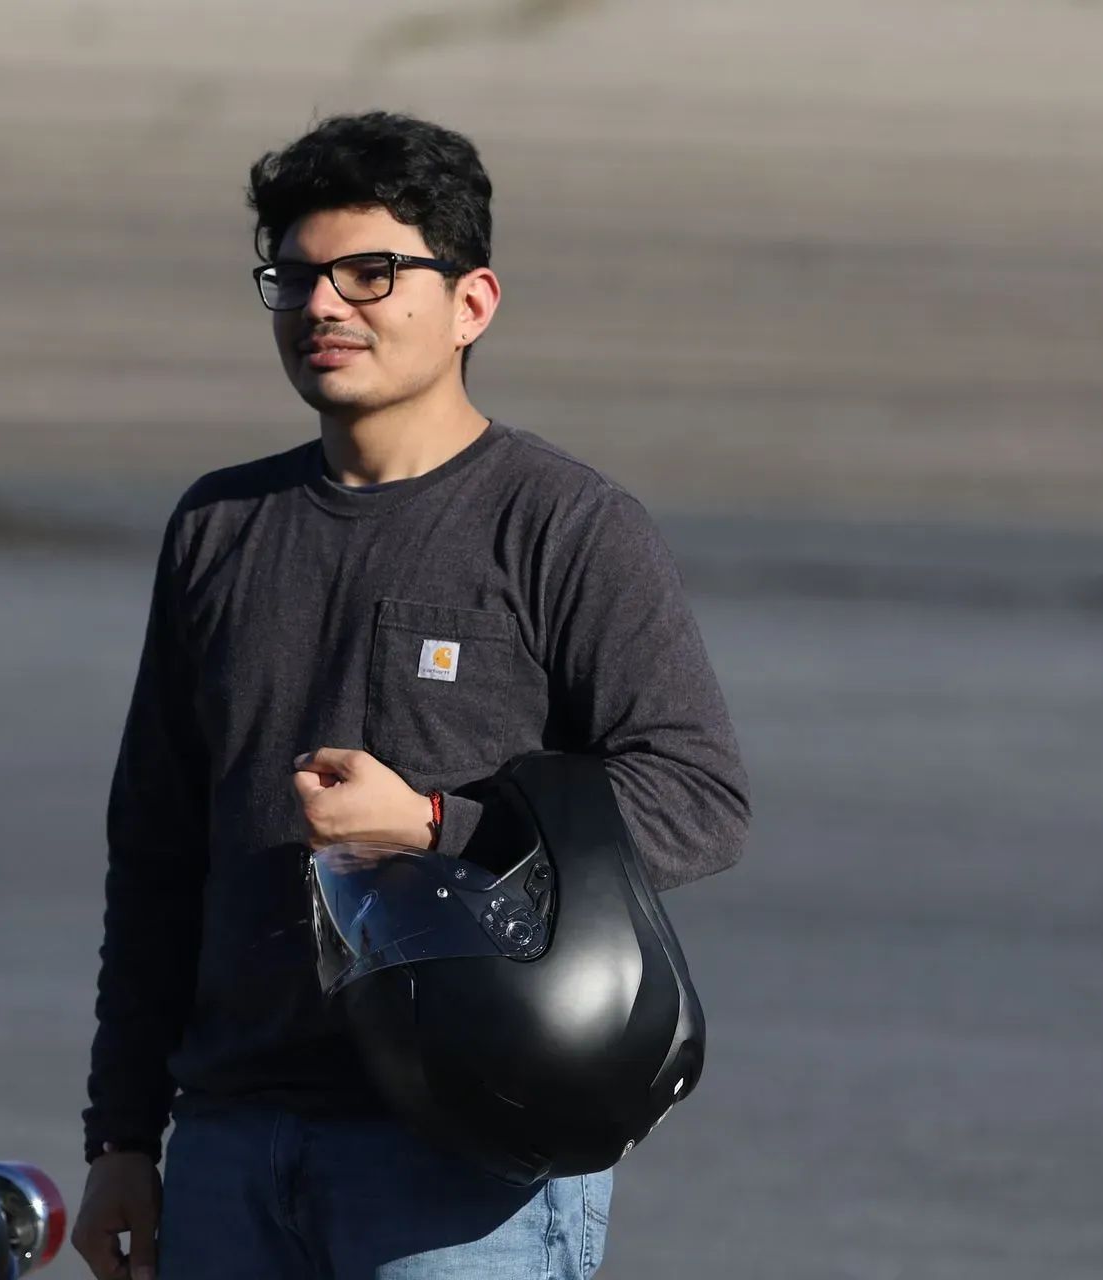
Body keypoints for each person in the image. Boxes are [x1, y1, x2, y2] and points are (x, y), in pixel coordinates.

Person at [72, 110, 750, 1280]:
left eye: (370, 272)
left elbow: (697, 797)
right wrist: (123, 1136)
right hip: (232, 1139)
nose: (324, 305)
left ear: (473, 302)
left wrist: (440, 828)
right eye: (293, 276)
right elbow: (155, 851)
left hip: (464, 1147)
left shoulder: (565, 527)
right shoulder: (218, 526)